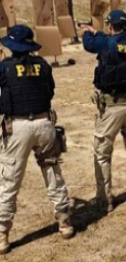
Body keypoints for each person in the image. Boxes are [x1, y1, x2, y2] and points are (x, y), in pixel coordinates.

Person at [0, 25, 74, 254]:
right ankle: (64, 221)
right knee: (53, 172)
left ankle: (2, 234)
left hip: (18, 127)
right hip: (44, 123)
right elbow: (49, 92)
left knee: (9, 179)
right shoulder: (42, 65)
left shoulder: (4, 68)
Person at [82, 10, 126, 212]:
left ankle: (104, 199)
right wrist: (99, 33)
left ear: (110, 26)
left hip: (111, 106)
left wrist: (87, 31)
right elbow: (116, 44)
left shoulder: (105, 43)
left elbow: (88, 45)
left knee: (102, 153)